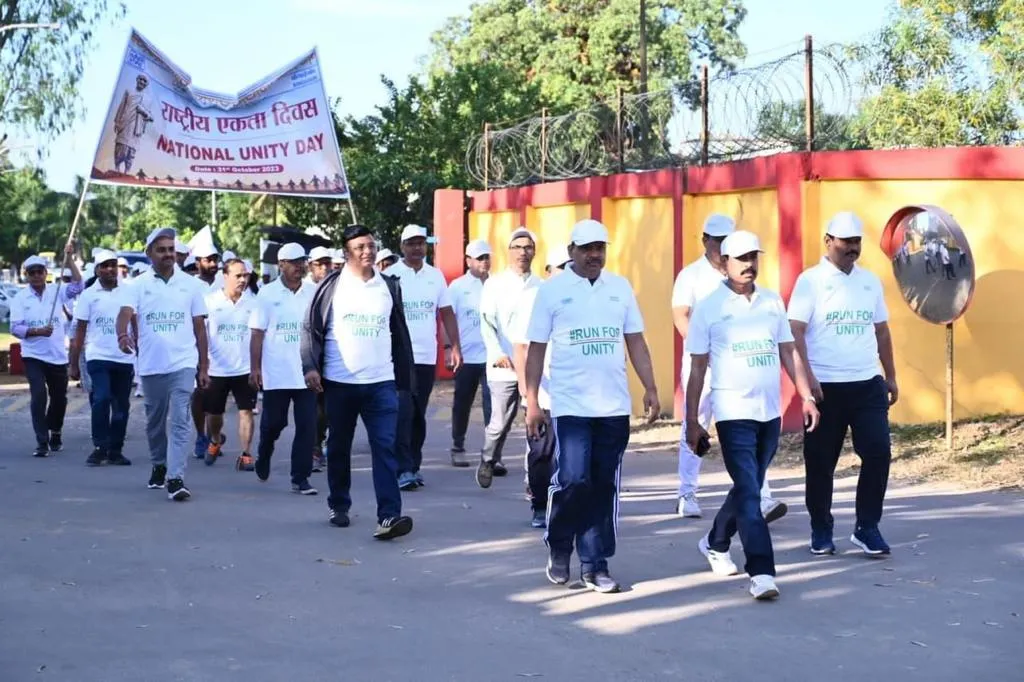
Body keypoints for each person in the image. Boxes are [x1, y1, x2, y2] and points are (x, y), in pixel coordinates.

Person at [525, 219, 660, 594]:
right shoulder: (552, 292)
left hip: (613, 406)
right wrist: (532, 402)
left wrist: (650, 387)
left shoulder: (619, 288)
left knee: (602, 485)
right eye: (586, 248)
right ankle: (559, 540)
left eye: (599, 247)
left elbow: (636, 341)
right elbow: (535, 350)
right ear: (571, 252)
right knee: (573, 479)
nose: (594, 255)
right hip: (570, 406)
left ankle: (594, 564)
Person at [685, 230, 820, 601]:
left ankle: (716, 541)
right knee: (750, 490)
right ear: (724, 263)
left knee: (748, 485)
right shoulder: (710, 308)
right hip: (732, 412)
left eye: (753, 257)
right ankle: (761, 571)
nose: (749, 265)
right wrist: (692, 421)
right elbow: (697, 368)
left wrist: (806, 395)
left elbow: (788, 351)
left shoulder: (771, 302)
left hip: (768, 412)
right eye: (740, 258)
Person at [788, 211, 899, 557]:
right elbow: (795, 333)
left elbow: (881, 329)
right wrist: (808, 382)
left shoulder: (869, 282)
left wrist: (890, 375)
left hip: (867, 384)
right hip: (826, 388)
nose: (852, 248)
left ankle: (867, 527)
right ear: (828, 241)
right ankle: (821, 527)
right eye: (845, 242)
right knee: (820, 463)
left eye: (856, 242)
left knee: (878, 452)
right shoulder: (810, 281)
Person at [301, 224, 416, 539]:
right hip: (339, 382)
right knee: (339, 445)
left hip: (381, 382)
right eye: (360, 247)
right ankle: (339, 504)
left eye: (370, 245)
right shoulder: (331, 287)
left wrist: (404, 377)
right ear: (347, 252)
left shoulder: (388, 286)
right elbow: (310, 329)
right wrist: (310, 367)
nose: (367, 251)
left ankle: (390, 516)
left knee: (385, 446)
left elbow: (398, 332)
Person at [670, 214, 785, 521]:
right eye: (717, 241)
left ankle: (762, 496)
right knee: (696, 424)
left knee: (752, 425)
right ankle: (687, 491)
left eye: (727, 240)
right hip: (702, 364)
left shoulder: (742, 273)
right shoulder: (690, 276)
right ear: (705, 241)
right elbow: (681, 315)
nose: (722, 246)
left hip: (738, 365)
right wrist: (705, 351)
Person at [116, 227, 210, 501]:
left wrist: (203, 367)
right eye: (162, 250)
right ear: (149, 254)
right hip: (151, 365)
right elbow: (125, 313)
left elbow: (200, 328)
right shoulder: (137, 285)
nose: (169, 254)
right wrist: (122, 334)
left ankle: (176, 477)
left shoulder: (191, 285)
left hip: (183, 363)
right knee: (155, 422)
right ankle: (159, 463)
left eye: (171, 249)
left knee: (180, 420)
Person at [389, 224, 463, 490]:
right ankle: (402, 468)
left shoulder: (436, 276)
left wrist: (453, 346)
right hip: (398, 357)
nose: (416, 248)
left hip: (426, 357)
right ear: (402, 247)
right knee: (403, 412)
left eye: (421, 243)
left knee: (419, 413)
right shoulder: (391, 276)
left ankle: (413, 465)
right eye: (411, 243)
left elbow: (446, 313)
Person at [249, 243, 319, 495]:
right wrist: (254, 368)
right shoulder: (267, 294)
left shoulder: (313, 292)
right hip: (276, 371)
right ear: (281, 265)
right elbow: (257, 333)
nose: (300, 266)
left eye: (302, 261)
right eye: (294, 262)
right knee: (274, 423)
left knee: (307, 426)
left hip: (306, 372)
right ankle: (264, 452)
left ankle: (300, 477)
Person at [476, 227, 542, 489]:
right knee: (500, 422)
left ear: (534, 252)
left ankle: (533, 477)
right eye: (517, 247)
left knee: (534, 420)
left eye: (528, 247)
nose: (523, 253)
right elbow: (486, 323)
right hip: (504, 366)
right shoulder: (495, 284)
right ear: (509, 251)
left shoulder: (541, 286)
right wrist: (497, 353)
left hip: (534, 366)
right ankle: (488, 458)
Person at [510, 252, 567, 528]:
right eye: (561, 266)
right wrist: (527, 389)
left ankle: (565, 505)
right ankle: (540, 505)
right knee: (541, 453)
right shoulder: (534, 298)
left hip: (572, 395)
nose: (567, 271)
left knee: (570, 454)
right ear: (548, 270)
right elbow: (521, 346)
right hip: (541, 392)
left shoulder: (582, 296)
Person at [9, 245, 83, 457]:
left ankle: (55, 431)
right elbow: (15, 327)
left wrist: (69, 259)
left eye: (39, 271)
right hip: (33, 355)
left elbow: (78, 285)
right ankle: (41, 441)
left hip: (57, 355)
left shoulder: (57, 291)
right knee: (39, 395)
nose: (36, 276)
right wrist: (36, 331)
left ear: (45, 273)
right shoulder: (20, 298)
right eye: (31, 272)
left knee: (59, 398)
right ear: (27, 275)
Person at [70, 250, 134, 467]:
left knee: (121, 407)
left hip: (124, 357)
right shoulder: (89, 295)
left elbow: (135, 320)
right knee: (102, 397)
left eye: (112, 265)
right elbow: (80, 330)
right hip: (97, 355)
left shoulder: (128, 291)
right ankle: (100, 446)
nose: (109, 269)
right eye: (104, 266)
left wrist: (140, 348)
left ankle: (115, 450)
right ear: (97, 270)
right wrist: (74, 363)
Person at [202, 259, 260, 471]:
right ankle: (216, 440)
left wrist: (257, 368)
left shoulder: (253, 303)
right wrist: (202, 365)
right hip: (216, 369)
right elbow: (201, 335)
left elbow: (257, 336)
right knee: (214, 415)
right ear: (225, 276)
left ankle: (246, 454)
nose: (243, 280)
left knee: (246, 411)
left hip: (244, 369)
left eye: (245, 275)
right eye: (238, 275)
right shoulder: (209, 302)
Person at [447, 239, 493, 466]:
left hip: (493, 356)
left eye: (487, 257)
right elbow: (449, 319)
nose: (485, 262)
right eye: (480, 257)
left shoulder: (497, 285)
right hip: (466, 356)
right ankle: (458, 445)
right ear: (468, 261)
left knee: (492, 405)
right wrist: (450, 349)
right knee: (462, 402)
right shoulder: (457, 286)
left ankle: (493, 453)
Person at [189, 237, 220, 459]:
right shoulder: (191, 286)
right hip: (196, 346)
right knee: (199, 395)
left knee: (215, 399)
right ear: (198, 261)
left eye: (215, 259)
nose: (213, 263)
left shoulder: (224, 282)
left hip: (222, 348)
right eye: (208, 260)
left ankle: (213, 438)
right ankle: (201, 435)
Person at [306, 245, 333, 471]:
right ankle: (313, 449)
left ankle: (320, 445)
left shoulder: (339, 288)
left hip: (332, 357)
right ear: (310, 266)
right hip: (308, 357)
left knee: (325, 408)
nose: (324, 268)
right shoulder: (304, 290)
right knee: (310, 407)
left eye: (327, 263)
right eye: (319, 264)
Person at [113, 73, 153, 174]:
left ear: (146, 84)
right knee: (121, 147)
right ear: (137, 79)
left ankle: (127, 171)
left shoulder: (148, 99)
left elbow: (150, 117)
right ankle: (116, 168)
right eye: (141, 79)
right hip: (125, 123)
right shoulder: (129, 91)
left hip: (137, 128)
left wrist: (143, 111)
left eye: (145, 81)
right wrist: (117, 122)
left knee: (131, 151)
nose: (142, 82)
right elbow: (121, 107)